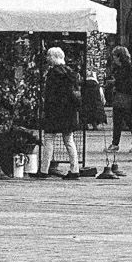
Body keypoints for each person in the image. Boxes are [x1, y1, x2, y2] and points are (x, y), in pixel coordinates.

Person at [40, 45, 80, 179]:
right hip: (69, 112)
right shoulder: (70, 72)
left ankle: (44, 170)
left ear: (53, 58)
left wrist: (46, 109)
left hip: (54, 111)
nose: (47, 58)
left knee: (49, 138)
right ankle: (75, 169)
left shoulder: (53, 74)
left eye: (48, 56)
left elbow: (50, 95)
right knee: (69, 140)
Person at [107, 41, 132, 152]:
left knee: (129, 120)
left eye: (115, 56)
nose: (114, 59)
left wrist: (115, 82)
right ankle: (115, 143)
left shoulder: (128, 68)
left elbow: (129, 82)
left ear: (119, 57)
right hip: (120, 95)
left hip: (126, 96)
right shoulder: (119, 68)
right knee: (117, 121)